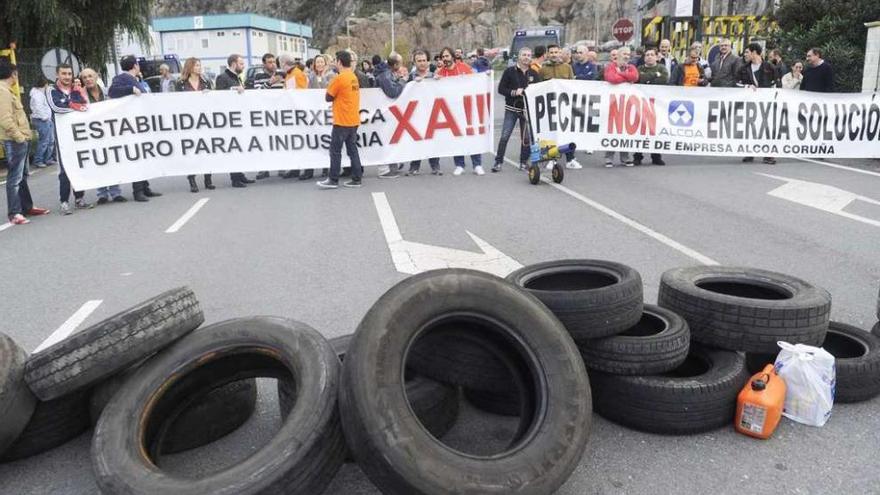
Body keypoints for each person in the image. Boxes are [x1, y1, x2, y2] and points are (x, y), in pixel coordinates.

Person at [1, 61, 49, 224]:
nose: (17, 76)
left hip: (20, 139)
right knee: (15, 178)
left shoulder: (7, 91)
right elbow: (5, 119)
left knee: (22, 176)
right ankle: (14, 213)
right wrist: (19, 137)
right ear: (12, 74)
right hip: (14, 140)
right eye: (16, 73)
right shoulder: (3, 92)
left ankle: (26, 207)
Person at [108, 55, 161, 202]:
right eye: (137, 64)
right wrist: (131, 89)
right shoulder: (122, 79)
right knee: (137, 158)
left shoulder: (137, 79)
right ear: (135, 66)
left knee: (144, 157)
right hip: (132, 125)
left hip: (142, 124)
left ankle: (145, 187)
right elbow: (113, 91)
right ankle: (137, 191)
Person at [49, 63, 95, 212]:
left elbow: (84, 104)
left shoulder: (76, 89)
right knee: (64, 169)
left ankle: (79, 198)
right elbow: (56, 107)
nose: (67, 76)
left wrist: (73, 102)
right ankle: (64, 202)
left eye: (69, 74)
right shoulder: (51, 90)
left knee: (79, 166)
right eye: (64, 74)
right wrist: (73, 106)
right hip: (62, 136)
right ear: (57, 75)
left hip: (78, 135)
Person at [317, 51, 363, 189]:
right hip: (353, 119)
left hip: (342, 120)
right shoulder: (353, 77)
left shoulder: (340, 78)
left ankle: (333, 179)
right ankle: (356, 178)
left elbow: (328, 97)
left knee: (335, 150)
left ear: (339, 62)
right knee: (352, 149)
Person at [436, 47, 484, 176]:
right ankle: (459, 165)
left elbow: (476, 82)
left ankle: (477, 164)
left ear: (452, 56)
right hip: (451, 110)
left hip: (467, 108)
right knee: (456, 137)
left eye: (447, 56)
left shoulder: (464, 68)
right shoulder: (440, 73)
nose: (445, 59)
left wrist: (486, 76)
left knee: (472, 135)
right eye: (443, 57)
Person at [81, 68, 127, 204]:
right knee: (98, 163)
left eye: (90, 76)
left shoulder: (108, 92)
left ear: (96, 77)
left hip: (109, 133)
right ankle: (102, 194)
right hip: (92, 135)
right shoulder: (80, 95)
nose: (88, 79)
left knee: (111, 162)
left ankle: (115, 192)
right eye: (85, 77)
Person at [493, 46, 539, 173]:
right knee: (504, 136)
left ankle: (523, 162)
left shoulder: (534, 73)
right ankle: (498, 162)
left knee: (526, 138)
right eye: (524, 55)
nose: (526, 57)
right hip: (511, 109)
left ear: (531, 58)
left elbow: (539, 91)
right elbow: (501, 89)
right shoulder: (509, 71)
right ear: (519, 57)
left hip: (527, 111)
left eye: (529, 55)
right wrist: (514, 92)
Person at [175, 57, 216, 193]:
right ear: (190, 67)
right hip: (189, 122)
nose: (199, 67)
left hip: (204, 120)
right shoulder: (180, 84)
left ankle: (208, 178)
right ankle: (192, 179)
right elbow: (175, 102)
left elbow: (214, 99)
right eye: (197, 65)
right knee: (192, 151)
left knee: (206, 150)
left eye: (200, 65)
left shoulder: (206, 81)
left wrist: (208, 95)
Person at [215, 54, 253, 188]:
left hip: (239, 118)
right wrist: (233, 90)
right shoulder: (222, 77)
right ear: (233, 64)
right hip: (229, 119)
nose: (243, 66)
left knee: (240, 147)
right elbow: (219, 94)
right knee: (233, 149)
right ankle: (235, 178)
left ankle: (240, 174)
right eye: (241, 63)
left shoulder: (237, 77)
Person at [539, 44, 580, 169]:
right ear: (547, 54)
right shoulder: (543, 69)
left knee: (567, 132)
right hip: (550, 105)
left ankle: (570, 159)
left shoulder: (567, 67)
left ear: (560, 53)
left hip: (565, 105)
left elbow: (572, 85)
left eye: (556, 52)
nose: (554, 54)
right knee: (551, 133)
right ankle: (552, 158)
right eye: (551, 52)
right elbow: (539, 87)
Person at [738, 43, 779, 165]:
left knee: (767, 128)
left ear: (754, 52)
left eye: (747, 52)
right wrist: (747, 86)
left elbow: (777, 85)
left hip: (767, 103)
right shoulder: (744, 68)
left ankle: (768, 154)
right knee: (751, 127)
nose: (745, 55)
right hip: (750, 103)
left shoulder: (770, 67)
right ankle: (749, 152)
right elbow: (736, 83)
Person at [406, 50, 442, 176]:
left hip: (432, 112)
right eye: (419, 61)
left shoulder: (434, 76)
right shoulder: (410, 77)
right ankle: (414, 166)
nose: (422, 63)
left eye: (424, 60)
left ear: (428, 61)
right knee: (416, 140)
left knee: (433, 139)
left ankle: (435, 166)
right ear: (414, 62)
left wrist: (439, 82)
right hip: (415, 114)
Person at [603, 46, 638, 167]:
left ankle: (625, 157)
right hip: (613, 103)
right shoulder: (611, 66)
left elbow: (635, 77)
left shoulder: (631, 67)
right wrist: (626, 77)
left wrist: (621, 74)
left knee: (625, 130)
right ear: (618, 55)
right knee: (613, 129)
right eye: (624, 54)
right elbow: (612, 78)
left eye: (628, 54)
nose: (627, 56)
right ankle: (609, 158)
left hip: (627, 103)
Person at [373, 53, 406, 178]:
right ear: (395, 64)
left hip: (386, 112)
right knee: (384, 138)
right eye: (400, 63)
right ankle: (383, 169)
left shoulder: (386, 73)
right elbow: (392, 92)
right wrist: (402, 82)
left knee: (390, 138)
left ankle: (392, 166)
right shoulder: (385, 75)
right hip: (383, 112)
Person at [633, 48, 668, 166]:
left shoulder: (662, 68)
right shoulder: (639, 69)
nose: (649, 56)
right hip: (641, 103)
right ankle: (637, 156)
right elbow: (638, 79)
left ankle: (656, 156)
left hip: (657, 104)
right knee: (640, 129)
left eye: (652, 54)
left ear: (656, 57)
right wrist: (654, 76)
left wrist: (647, 79)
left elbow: (663, 80)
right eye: (647, 55)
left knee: (655, 129)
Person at [29, 78, 54, 169]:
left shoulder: (40, 94)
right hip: (42, 120)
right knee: (44, 141)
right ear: (44, 84)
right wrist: (45, 118)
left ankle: (48, 159)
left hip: (46, 119)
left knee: (50, 140)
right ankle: (38, 160)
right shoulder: (37, 95)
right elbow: (38, 108)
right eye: (47, 85)